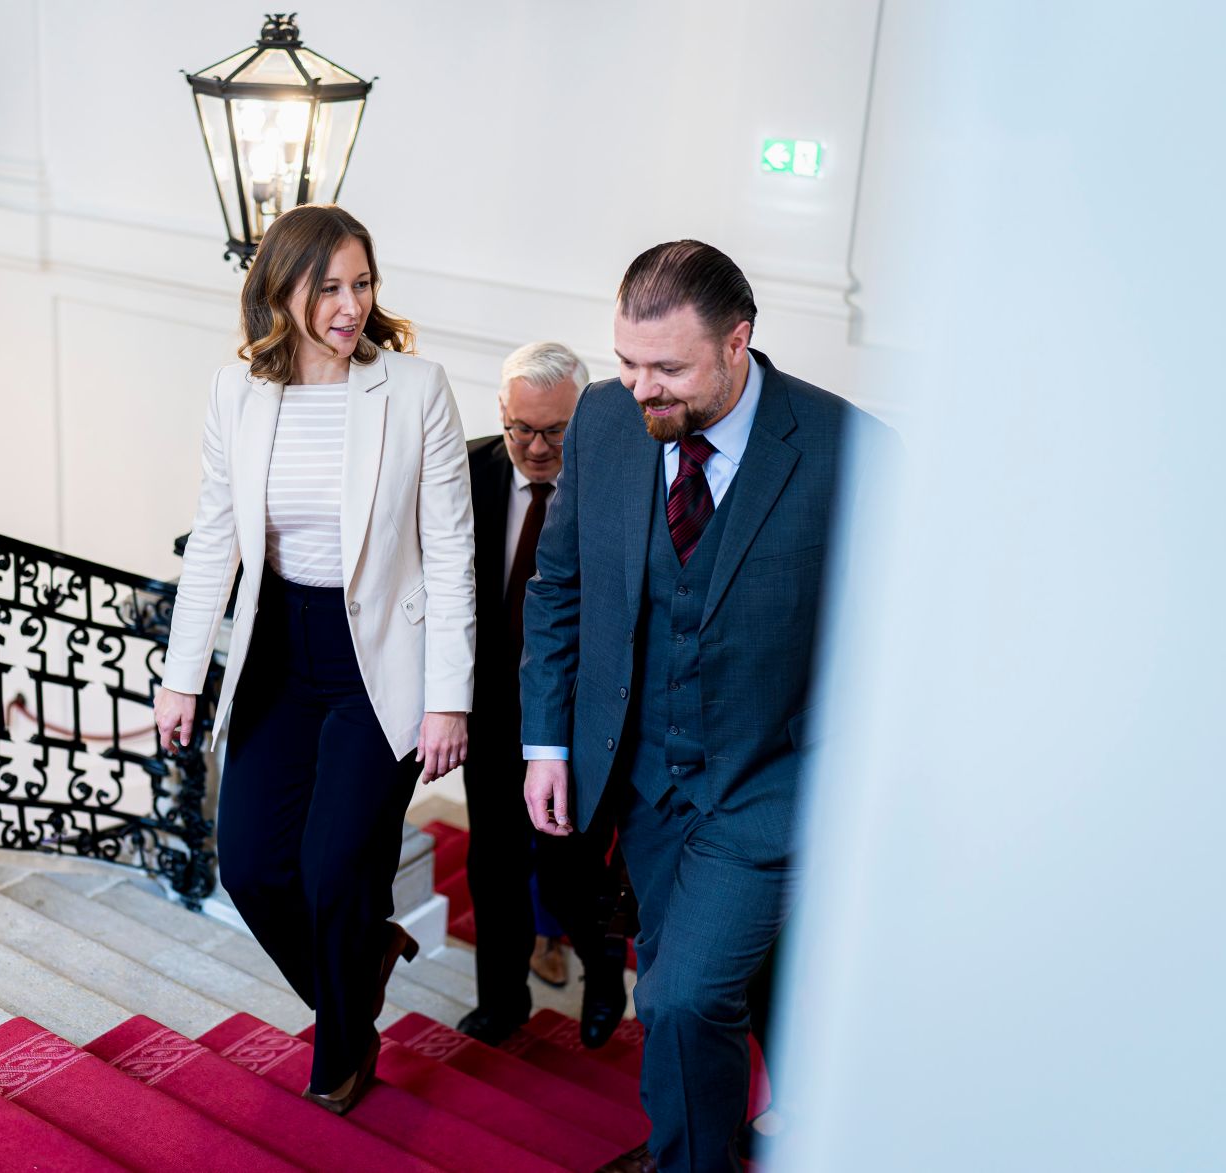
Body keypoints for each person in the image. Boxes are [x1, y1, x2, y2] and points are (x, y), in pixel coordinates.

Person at [520, 241, 888, 1170]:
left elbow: (892, 642)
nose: (642, 389)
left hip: (771, 783)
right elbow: (558, 586)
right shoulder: (603, 423)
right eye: (628, 362)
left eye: (669, 368)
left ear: (738, 342)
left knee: (679, 995)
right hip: (641, 785)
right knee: (702, 990)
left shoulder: (850, 449)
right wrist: (546, 742)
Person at [154, 204, 476, 1116]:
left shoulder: (414, 388)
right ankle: (361, 965)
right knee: (251, 868)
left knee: (339, 869)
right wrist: (182, 675)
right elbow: (215, 537)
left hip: (379, 661)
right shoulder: (238, 390)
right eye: (328, 286)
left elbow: (450, 550)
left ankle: (342, 1046)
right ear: (278, 289)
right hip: (276, 657)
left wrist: (449, 699)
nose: (349, 304)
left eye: (362, 283)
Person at [457, 341, 628, 1049]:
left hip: (580, 719)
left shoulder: (619, 487)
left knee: (571, 873)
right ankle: (502, 1002)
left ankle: (605, 975)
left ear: (583, 421)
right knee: (492, 864)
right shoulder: (467, 471)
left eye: (553, 431)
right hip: (491, 711)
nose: (533, 445)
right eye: (518, 427)